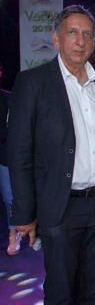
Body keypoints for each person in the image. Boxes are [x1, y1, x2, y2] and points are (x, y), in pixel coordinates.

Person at [8, 5, 95, 304]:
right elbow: (19, 152)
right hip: (60, 208)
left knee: (93, 289)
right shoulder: (33, 83)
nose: (80, 41)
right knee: (60, 292)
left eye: (87, 35)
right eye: (72, 33)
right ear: (56, 39)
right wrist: (23, 214)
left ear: (94, 42)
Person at [0, 63, 19, 255]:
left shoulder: (7, 97)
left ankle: (14, 236)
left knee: (9, 198)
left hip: (4, 156)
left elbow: (11, 128)